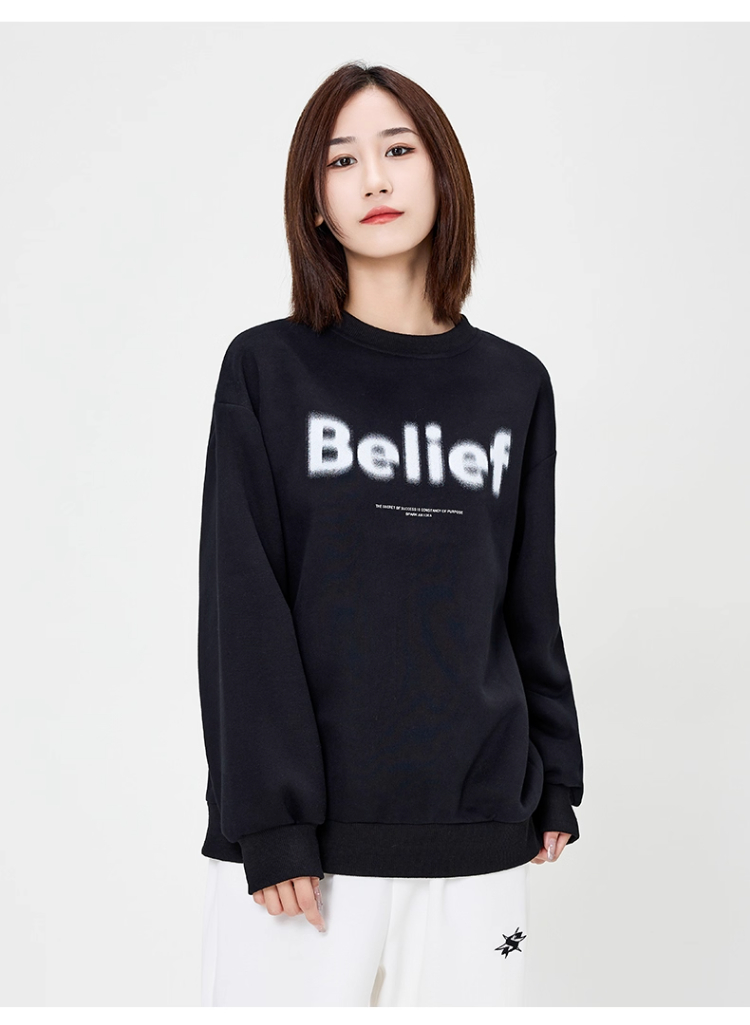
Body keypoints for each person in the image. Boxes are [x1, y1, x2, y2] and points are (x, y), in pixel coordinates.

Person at [196, 61, 585, 1008]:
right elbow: (242, 604)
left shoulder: (515, 384)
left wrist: (556, 776)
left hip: (481, 829)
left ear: (442, 174)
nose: (373, 177)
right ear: (315, 202)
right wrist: (271, 823)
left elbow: (525, 595)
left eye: (398, 149)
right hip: (307, 852)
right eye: (342, 160)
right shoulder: (267, 369)